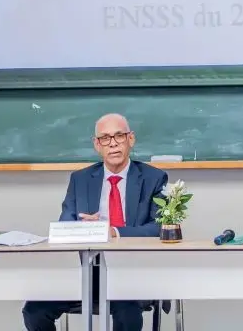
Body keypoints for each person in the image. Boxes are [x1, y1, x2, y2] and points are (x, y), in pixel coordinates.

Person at [23, 113, 169, 331]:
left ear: (131, 139)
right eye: (105, 138)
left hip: (132, 274)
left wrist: (112, 231)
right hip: (87, 274)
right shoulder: (80, 179)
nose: (112, 144)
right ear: (96, 145)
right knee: (34, 311)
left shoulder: (153, 178)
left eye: (119, 136)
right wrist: (86, 229)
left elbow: (160, 228)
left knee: (127, 314)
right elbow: (65, 225)